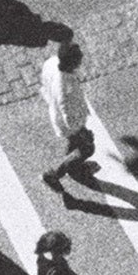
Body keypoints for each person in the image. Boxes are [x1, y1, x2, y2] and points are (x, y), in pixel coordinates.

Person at [39, 38, 97, 192]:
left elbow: (44, 81)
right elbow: (69, 118)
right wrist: (82, 131)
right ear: (71, 63)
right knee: (87, 148)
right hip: (68, 123)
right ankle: (54, 174)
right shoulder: (65, 88)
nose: (82, 59)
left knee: (74, 145)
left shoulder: (51, 63)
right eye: (79, 58)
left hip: (58, 112)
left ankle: (73, 166)